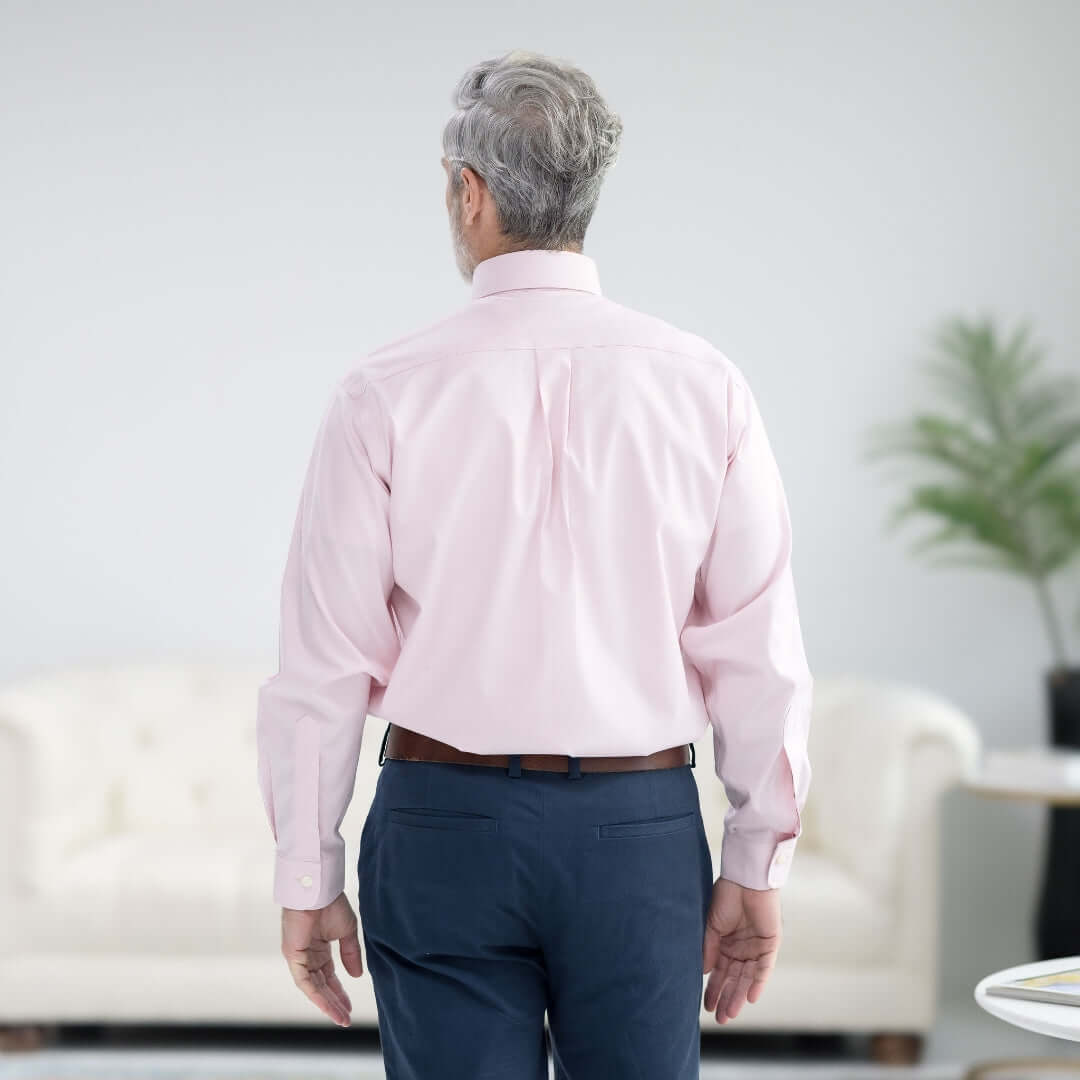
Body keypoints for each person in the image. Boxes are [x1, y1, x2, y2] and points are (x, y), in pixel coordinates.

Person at [255, 47, 813, 1080]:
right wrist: (757, 855)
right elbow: (757, 649)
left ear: (469, 194)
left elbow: (323, 662)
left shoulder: (382, 391)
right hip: (639, 831)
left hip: (441, 825)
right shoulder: (707, 387)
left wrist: (307, 872)